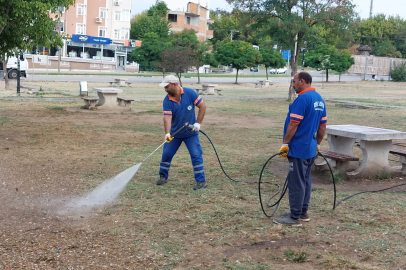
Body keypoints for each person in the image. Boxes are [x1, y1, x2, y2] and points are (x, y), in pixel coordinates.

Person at [274, 71, 327, 226]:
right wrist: (317, 144)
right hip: (310, 149)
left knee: (296, 183)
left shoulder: (302, 99)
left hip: (298, 149)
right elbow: (322, 126)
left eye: (294, 81)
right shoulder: (319, 99)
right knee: (305, 180)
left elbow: (294, 124)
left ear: (302, 81)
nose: (293, 84)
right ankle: (302, 212)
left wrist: (285, 144)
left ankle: (294, 216)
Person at [156, 75, 207, 190]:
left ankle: (201, 181)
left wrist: (198, 123)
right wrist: (167, 134)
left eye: (167, 87)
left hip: (191, 133)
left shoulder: (189, 93)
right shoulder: (167, 100)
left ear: (174, 84)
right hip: (175, 134)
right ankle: (163, 176)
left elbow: (202, 106)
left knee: (196, 155)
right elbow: (167, 118)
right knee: (167, 154)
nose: (165, 90)